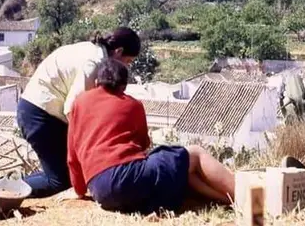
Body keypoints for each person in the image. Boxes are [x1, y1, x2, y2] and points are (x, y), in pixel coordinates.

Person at [67, 59, 235, 214]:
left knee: (183, 169)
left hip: (100, 191)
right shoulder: (133, 105)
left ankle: (228, 200)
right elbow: (142, 146)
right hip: (128, 178)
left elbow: (72, 155)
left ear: (97, 82)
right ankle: (244, 193)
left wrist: (79, 190)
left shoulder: (79, 102)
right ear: (124, 86)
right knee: (194, 154)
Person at [17, 27, 141, 198]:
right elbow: (72, 109)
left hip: (41, 109)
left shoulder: (92, 50)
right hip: (40, 113)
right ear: (118, 51)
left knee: (63, 174)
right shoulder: (95, 63)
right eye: (128, 61)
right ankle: (6, 190)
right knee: (59, 180)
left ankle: (9, 184)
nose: (126, 67)